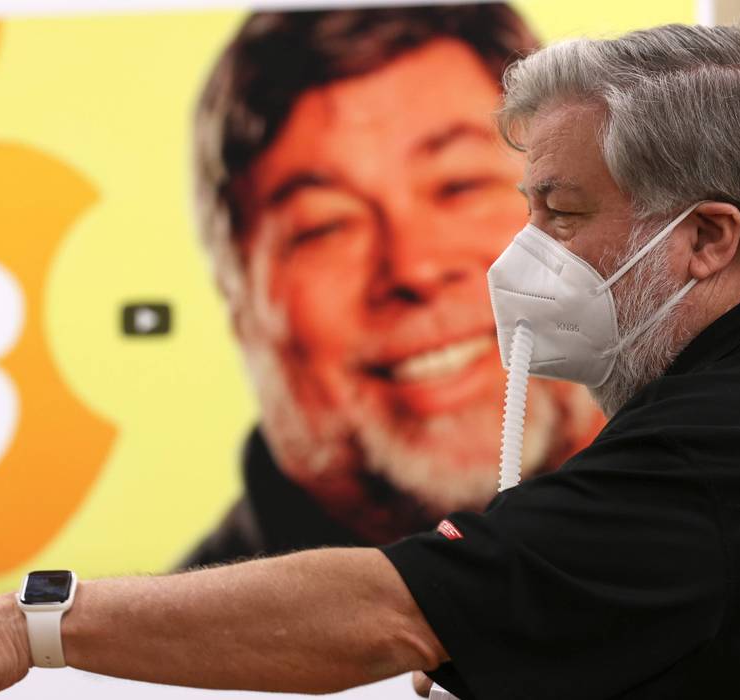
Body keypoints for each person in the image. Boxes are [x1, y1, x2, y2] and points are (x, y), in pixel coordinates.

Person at [0, 23, 740, 699]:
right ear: (240, 288)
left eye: (560, 212)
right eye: (325, 224)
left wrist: (30, 619)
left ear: (707, 236)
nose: (459, 266)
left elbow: (387, 609)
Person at [183, 5, 603, 567]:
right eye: (325, 225)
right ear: (237, 299)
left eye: (459, 185)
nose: (413, 268)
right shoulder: (155, 654)